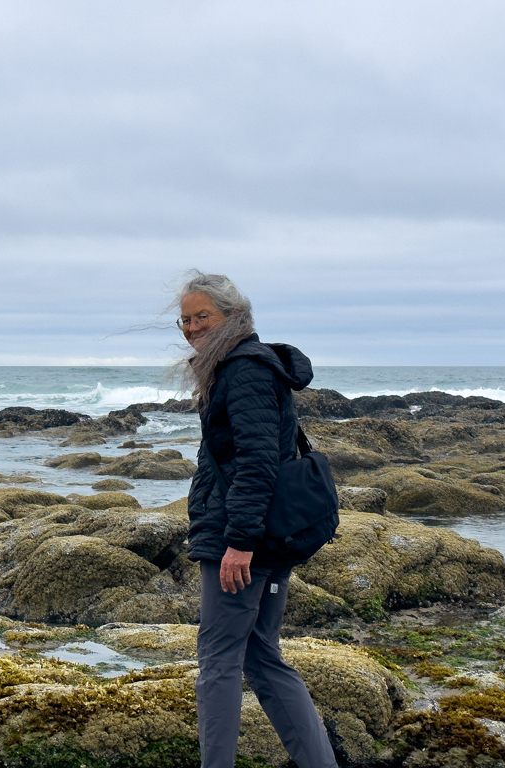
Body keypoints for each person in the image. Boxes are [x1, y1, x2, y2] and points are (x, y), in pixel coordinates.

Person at [176, 270, 338, 768]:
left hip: (245, 539)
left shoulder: (243, 370)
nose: (191, 327)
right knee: (262, 657)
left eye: (202, 316)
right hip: (268, 534)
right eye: (184, 320)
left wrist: (239, 542)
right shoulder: (240, 366)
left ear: (233, 315)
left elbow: (257, 460)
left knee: (219, 661)